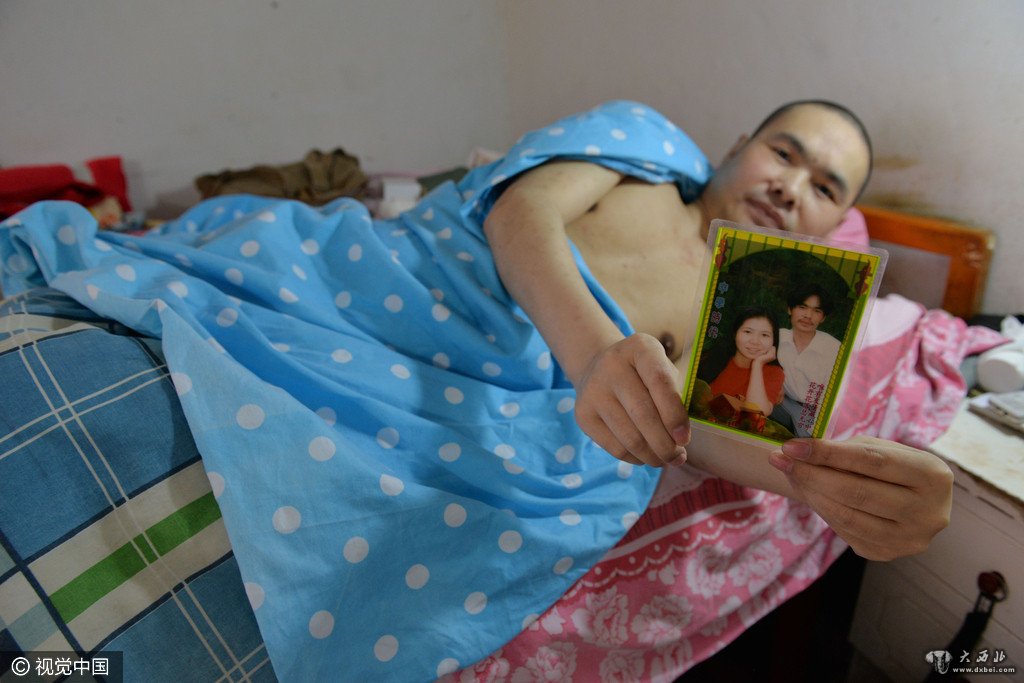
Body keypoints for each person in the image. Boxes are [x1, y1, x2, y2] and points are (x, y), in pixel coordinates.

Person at [484, 99, 953, 561]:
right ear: (736, 148)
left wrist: (838, 489)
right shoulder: (640, 159)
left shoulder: (736, 319)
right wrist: (591, 355)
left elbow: (699, 427)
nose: (790, 189)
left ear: (834, 228)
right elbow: (519, 209)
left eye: (825, 190)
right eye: (783, 154)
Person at [773, 284, 842, 436]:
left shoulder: (834, 349)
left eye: (816, 311)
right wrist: (775, 383)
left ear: (823, 318)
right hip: (782, 403)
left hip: (815, 414)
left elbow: (834, 399)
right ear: (790, 309)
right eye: (802, 307)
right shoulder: (777, 337)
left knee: (806, 441)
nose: (808, 316)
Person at [704, 307, 785, 416]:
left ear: (773, 341)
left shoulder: (774, 373)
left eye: (764, 335)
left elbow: (757, 412)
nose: (755, 341)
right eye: (748, 332)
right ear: (735, 333)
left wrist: (757, 364)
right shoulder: (714, 357)